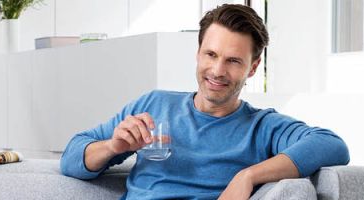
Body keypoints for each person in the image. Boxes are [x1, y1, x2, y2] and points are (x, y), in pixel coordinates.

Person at [61, 4, 349, 199]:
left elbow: (332, 145)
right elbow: (71, 158)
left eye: (233, 61)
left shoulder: (262, 127)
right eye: (211, 55)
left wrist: (246, 176)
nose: (218, 71)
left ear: (252, 67)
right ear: (198, 53)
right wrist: (113, 147)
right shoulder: (154, 104)